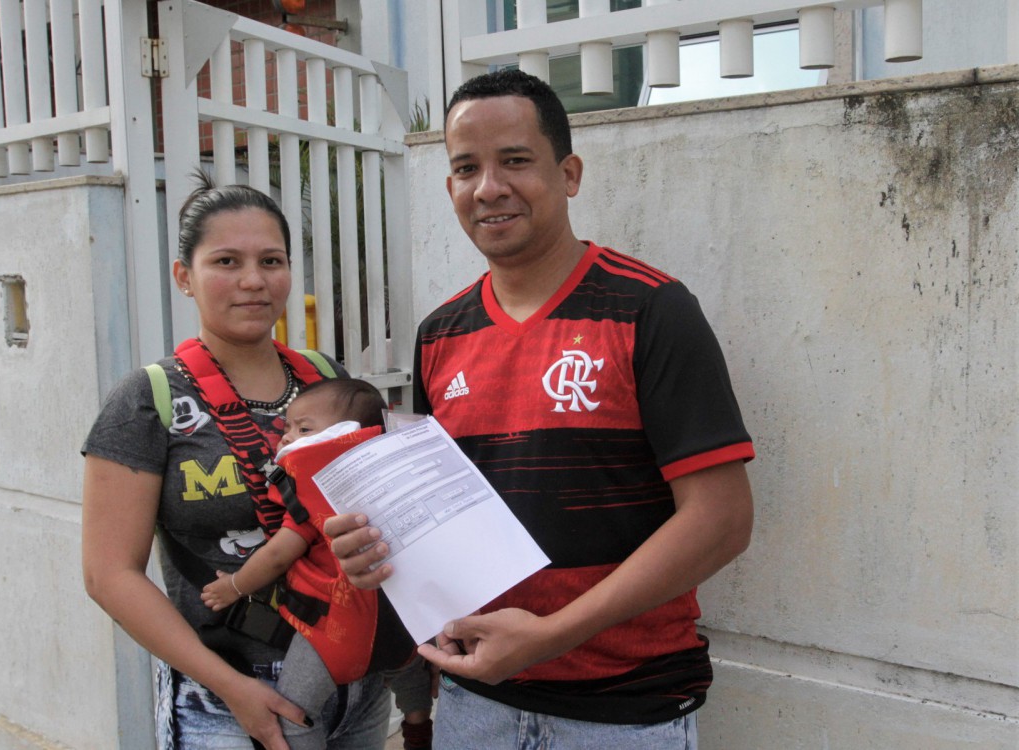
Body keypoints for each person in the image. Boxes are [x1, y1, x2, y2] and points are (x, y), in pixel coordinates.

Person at [325, 69, 756, 748]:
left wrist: (551, 635)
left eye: (515, 161)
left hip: (623, 713)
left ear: (569, 174)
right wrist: (376, 550)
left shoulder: (650, 309)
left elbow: (722, 521)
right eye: (466, 168)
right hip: (473, 707)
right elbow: (444, 522)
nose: (488, 187)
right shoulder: (440, 335)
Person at [81, 175, 392, 750]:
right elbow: (109, 575)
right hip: (227, 698)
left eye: (271, 261)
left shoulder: (326, 379)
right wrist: (231, 689)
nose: (253, 280)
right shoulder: (147, 399)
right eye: (227, 261)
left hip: (353, 681)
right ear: (184, 277)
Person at [200, 378, 434, 750]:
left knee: (293, 711)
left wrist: (233, 586)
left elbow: (278, 555)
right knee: (408, 673)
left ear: (344, 433)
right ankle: (418, 726)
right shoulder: (387, 474)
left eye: (304, 429)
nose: (287, 436)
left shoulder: (315, 486)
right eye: (287, 427)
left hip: (338, 631)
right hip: (400, 622)